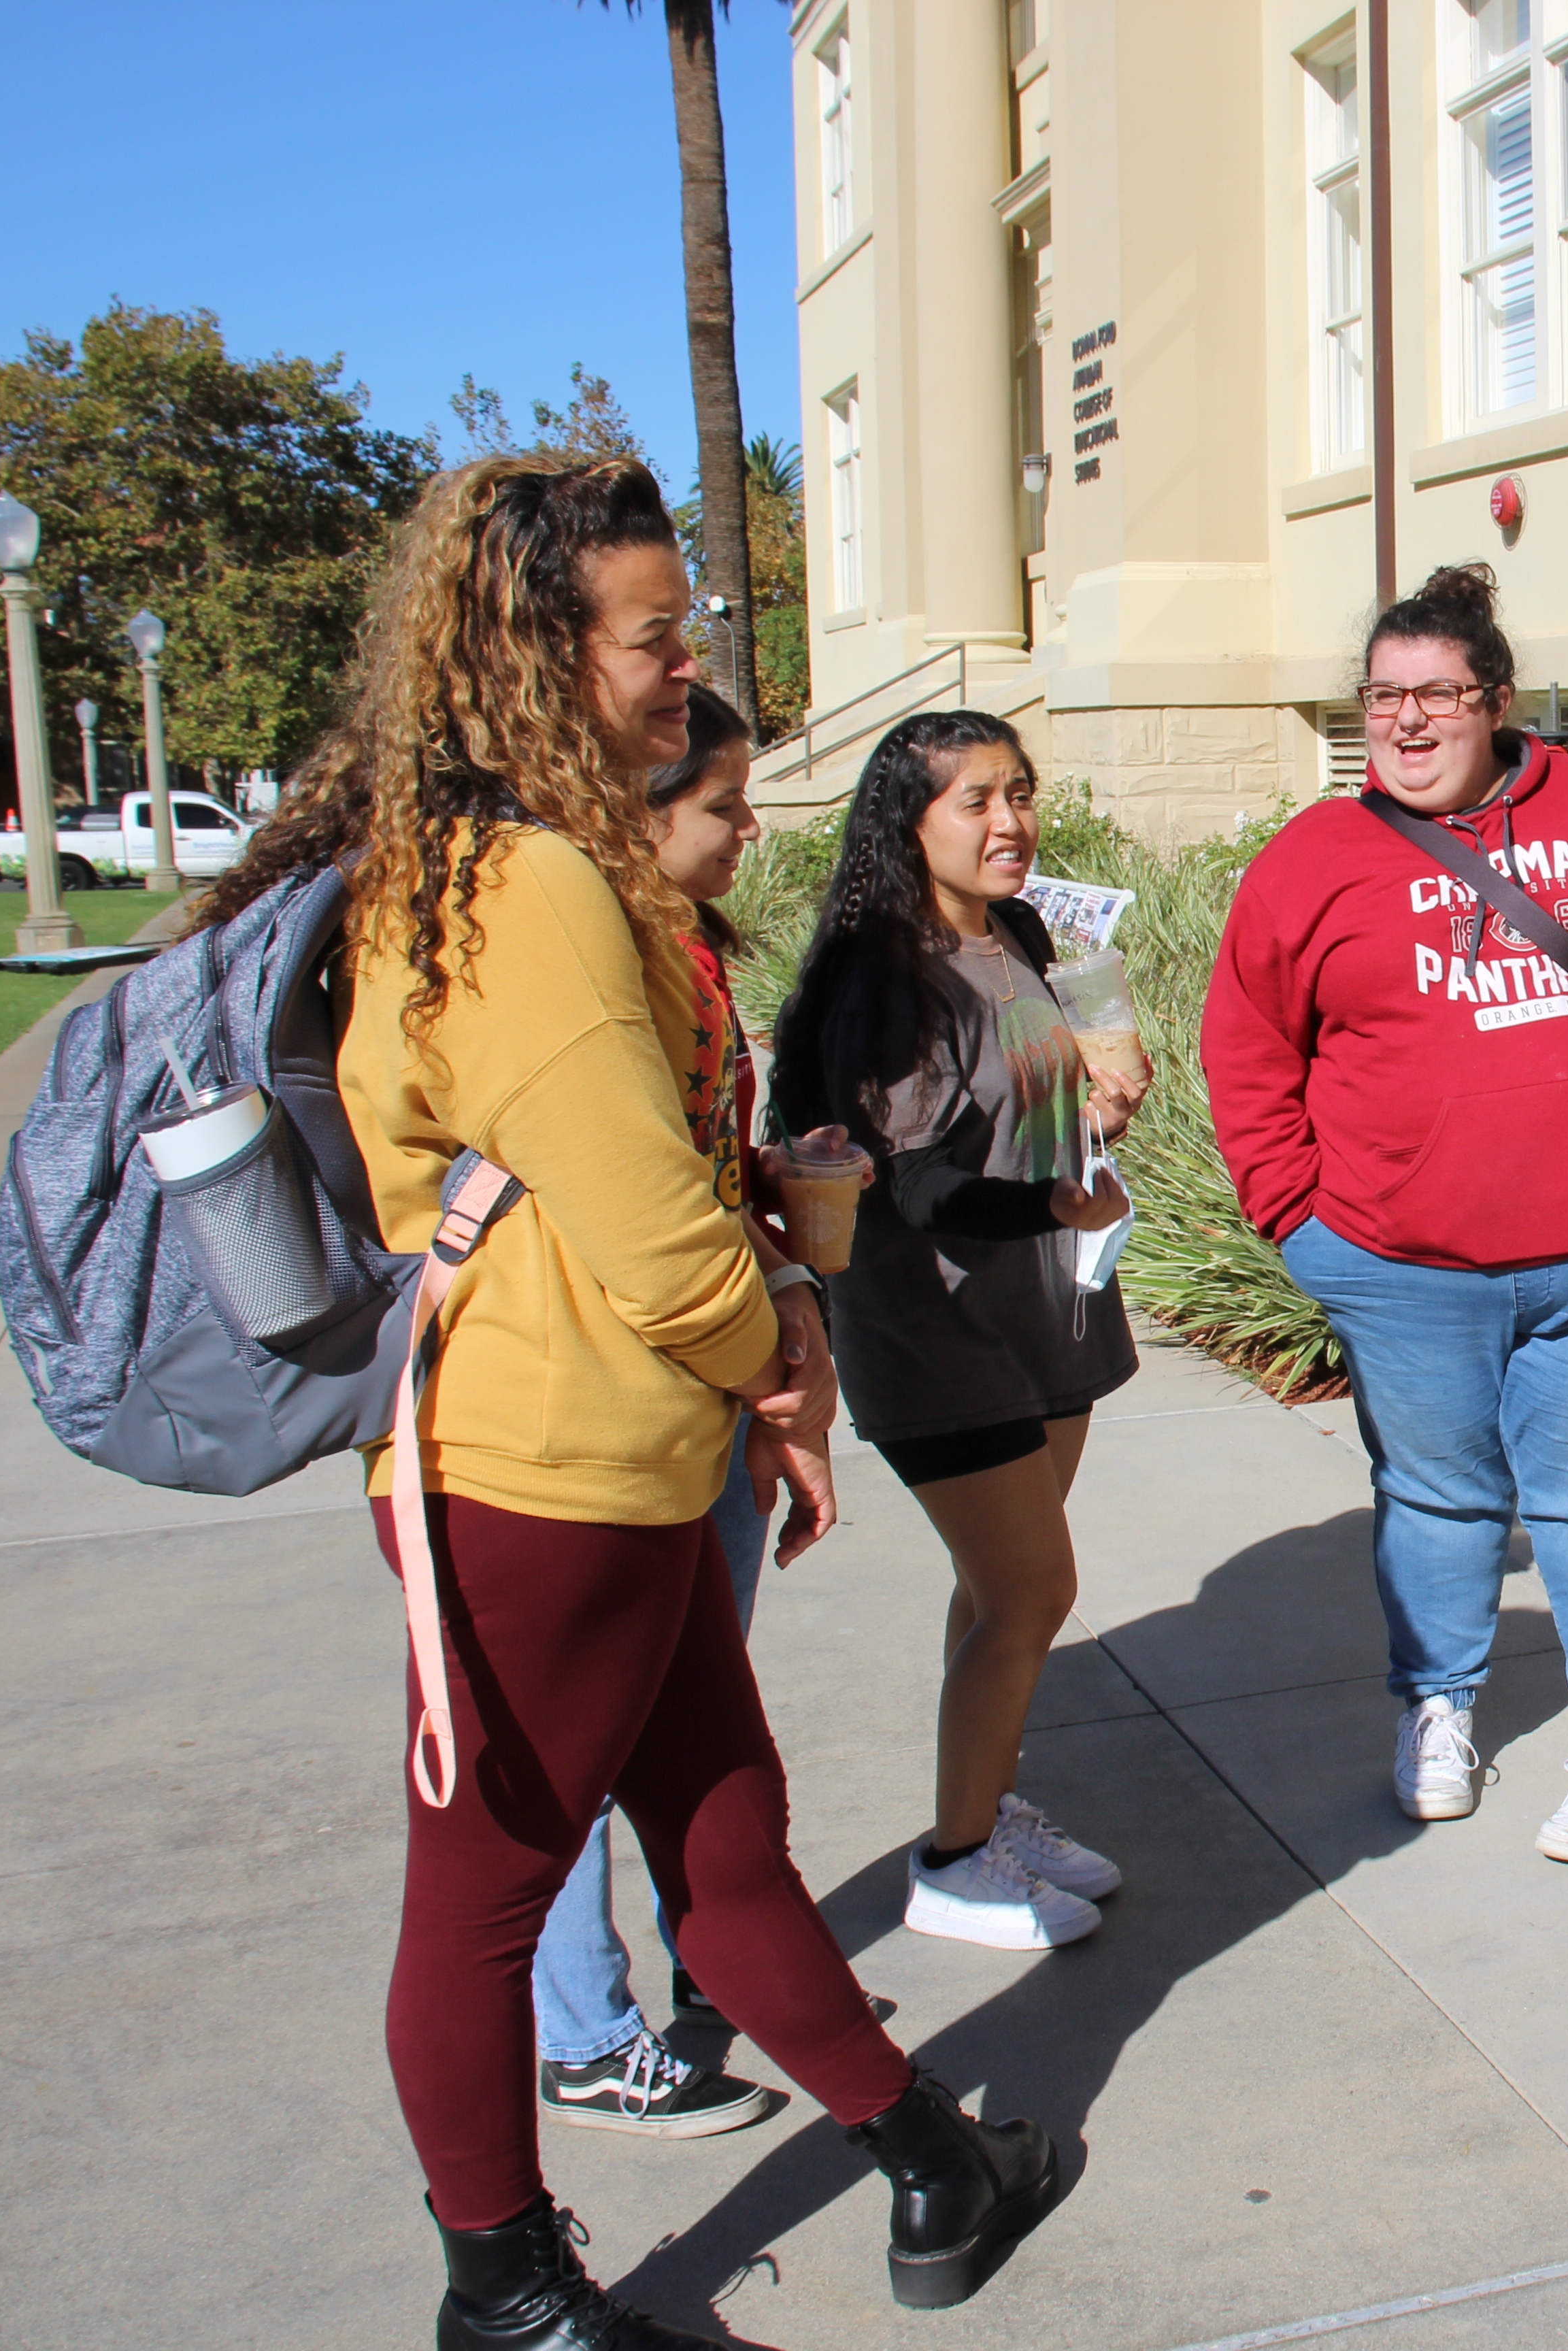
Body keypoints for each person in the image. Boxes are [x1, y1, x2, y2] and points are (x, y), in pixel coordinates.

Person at [197, 454, 1063, 2343]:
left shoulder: (520, 867)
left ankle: (932, 2159)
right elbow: (657, 1242)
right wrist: (788, 1378)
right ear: (534, 649)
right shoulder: (529, 888)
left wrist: (749, 1381)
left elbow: (637, 1198)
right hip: (536, 1475)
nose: (691, 670)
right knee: (490, 1893)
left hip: (623, 1466)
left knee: (728, 1830)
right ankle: (503, 2296)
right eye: (657, 637)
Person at [1202, 563, 1568, 1865]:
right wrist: (1302, 1224)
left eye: (1437, 696)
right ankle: (1436, 1712)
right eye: (1382, 697)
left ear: (1499, 703)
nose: (1405, 722)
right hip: (1406, 1266)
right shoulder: (1313, 862)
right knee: (1439, 1499)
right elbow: (1248, 1054)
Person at [771, 708, 1145, 1953]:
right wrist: (1048, 1193)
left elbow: (1026, 1115)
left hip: (1049, 1304)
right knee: (1037, 1588)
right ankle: (952, 1863)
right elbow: (910, 1183)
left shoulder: (1024, 936)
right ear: (908, 821)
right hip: (935, 1324)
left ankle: (982, 1813)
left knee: (996, 1595)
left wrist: (1098, 1107)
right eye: (976, 801)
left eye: (1021, 794)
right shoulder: (878, 978)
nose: (1010, 822)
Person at [524, 684, 812, 2140]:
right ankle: (583, 2032)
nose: (748, 832)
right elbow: (618, 1210)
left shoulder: (685, 951)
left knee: (693, 1722)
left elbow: (694, 1164)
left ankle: (730, 1973)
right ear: (634, 816)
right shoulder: (576, 972)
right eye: (724, 808)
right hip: (606, 1408)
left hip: (704, 1401)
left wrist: (772, 1189)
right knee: (583, 1739)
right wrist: (769, 1354)